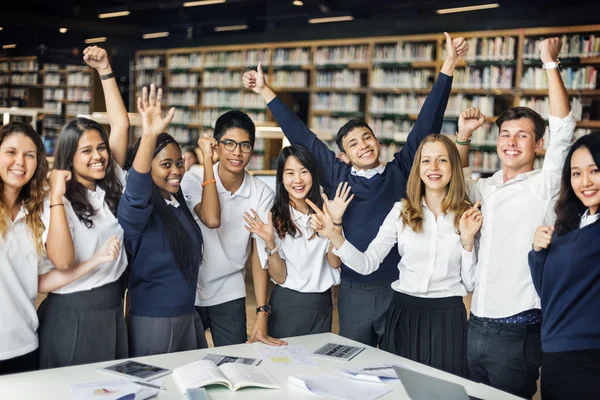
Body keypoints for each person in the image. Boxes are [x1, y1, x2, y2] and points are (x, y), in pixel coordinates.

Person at [243, 32, 468, 347]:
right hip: (353, 290)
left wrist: (448, 65)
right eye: (353, 143)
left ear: (377, 142)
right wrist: (265, 91)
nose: (363, 146)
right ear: (343, 155)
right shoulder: (336, 174)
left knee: (395, 359)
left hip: (398, 285)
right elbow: (300, 135)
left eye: (367, 138)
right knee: (355, 361)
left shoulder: (401, 170)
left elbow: (427, 122)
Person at [454, 37, 575, 398]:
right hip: (475, 324)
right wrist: (463, 137)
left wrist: (549, 63)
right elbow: (458, 189)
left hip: (517, 330)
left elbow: (564, 131)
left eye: (523, 136)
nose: (511, 141)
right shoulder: (486, 188)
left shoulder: (545, 184)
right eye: (505, 134)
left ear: (538, 146)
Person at [310, 134, 482, 376]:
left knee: (444, 390)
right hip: (404, 313)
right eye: (426, 161)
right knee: (400, 388)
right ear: (417, 168)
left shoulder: (467, 215)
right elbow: (367, 264)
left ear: (453, 166)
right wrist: (334, 235)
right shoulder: (401, 211)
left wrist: (467, 241)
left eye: (442, 160)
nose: (433, 168)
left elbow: (471, 282)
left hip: (448, 317)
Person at [37, 46, 131, 368]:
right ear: (69, 157)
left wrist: (105, 69)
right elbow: (62, 263)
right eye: (86, 150)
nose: (98, 156)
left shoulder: (110, 184)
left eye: (101, 147)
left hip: (112, 306)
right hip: (73, 311)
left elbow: (121, 125)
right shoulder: (57, 200)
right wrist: (57, 197)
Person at [118, 84, 215, 356]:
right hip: (155, 322)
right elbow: (135, 193)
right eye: (165, 164)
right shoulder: (139, 206)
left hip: (186, 315)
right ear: (147, 167)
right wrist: (149, 136)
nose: (176, 171)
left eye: (179, 163)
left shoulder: (176, 202)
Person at [181, 111, 286, 347]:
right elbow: (211, 217)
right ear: (216, 145)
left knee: (235, 362)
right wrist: (206, 161)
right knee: (189, 364)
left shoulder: (261, 194)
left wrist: (261, 312)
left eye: (245, 145)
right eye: (229, 144)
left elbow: (258, 256)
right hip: (189, 291)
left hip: (229, 292)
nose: (237, 153)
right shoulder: (191, 179)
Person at [244, 144, 353, 338]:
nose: (298, 180)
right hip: (287, 305)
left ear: (313, 173)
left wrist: (335, 224)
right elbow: (280, 277)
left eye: (304, 171)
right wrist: (270, 242)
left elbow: (335, 262)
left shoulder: (328, 209)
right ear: (281, 178)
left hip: (322, 304)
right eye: (290, 173)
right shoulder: (273, 217)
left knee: (315, 366)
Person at [529, 132, 600, 400]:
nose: (586, 182)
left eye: (594, 171)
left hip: (589, 355)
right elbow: (547, 290)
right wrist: (538, 252)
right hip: (555, 353)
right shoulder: (572, 222)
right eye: (577, 173)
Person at [0, 123, 49, 374]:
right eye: (11, 152)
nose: (20, 161)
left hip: (25, 345)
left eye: (29, 155)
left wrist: (96, 262)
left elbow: (41, 279)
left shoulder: (37, 214)